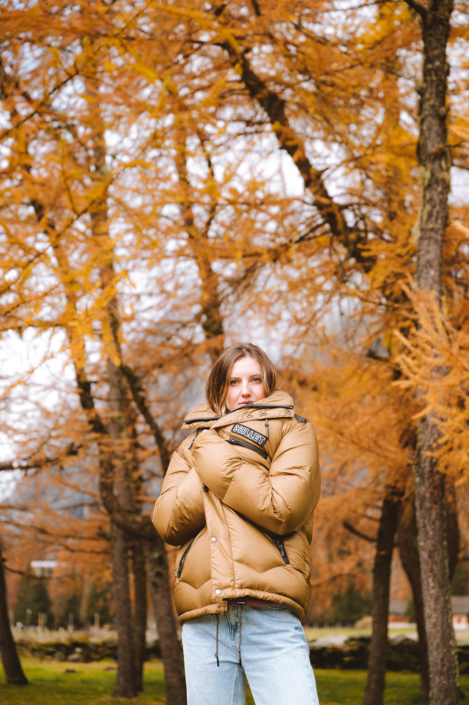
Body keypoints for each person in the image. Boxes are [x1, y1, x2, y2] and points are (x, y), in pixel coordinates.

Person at [152, 343, 321, 705]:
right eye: (233, 382)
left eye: (255, 379)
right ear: (219, 390)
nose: (245, 390)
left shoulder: (294, 431)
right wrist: (224, 456)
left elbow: (282, 508)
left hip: (271, 615)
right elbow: (167, 522)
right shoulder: (191, 445)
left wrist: (214, 457)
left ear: (268, 384)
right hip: (205, 622)